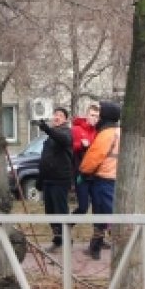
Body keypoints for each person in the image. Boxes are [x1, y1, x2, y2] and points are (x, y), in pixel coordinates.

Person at [79, 101, 121, 260]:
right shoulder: (119, 132)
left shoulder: (106, 134)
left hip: (103, 179)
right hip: (115, 178)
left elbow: (93, 157)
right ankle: (95, 246)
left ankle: (109, 246)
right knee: (105, 215)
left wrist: (82, 172)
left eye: (100, 114)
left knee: (103, 215)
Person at [36, 107, 75, 252]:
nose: (57, 117)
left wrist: (47, 129)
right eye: (55, 114)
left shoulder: (66, 133)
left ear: (65, 119)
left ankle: (67, 240)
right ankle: (58, 239)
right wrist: (40, 179)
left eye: (60, 115)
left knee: (60, 211)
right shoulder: (50, 138)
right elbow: (44, 160)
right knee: (50, 212)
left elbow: (63, 140)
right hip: (48, 180)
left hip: (60, 179)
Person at [71, 103, 99, 218]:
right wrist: (81, 145)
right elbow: (71, 146)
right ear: (86, 115)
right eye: (92, 115)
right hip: (81, 174)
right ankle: (67, 226)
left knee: (98, 205)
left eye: (97, 116)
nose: (94, 119)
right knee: (83, 207)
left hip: (95, 174)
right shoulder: (77, 129)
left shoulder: (97, 132)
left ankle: (98, 234)